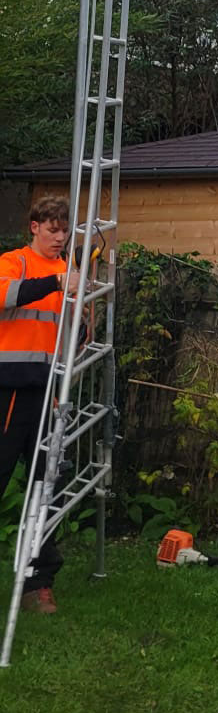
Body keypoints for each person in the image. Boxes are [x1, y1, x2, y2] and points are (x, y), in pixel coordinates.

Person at [0, 193, 74, 615]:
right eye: (52, 229)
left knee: (46, 487)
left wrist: (83, 316)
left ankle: (37, 583)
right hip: (8, 391)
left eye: (64, 230)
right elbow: (4, 294)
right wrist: (56, 284)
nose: (59, 237)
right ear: (34, 227)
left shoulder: (71, 272)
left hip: (50, 395)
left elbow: (76, 334)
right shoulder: (16, 262)